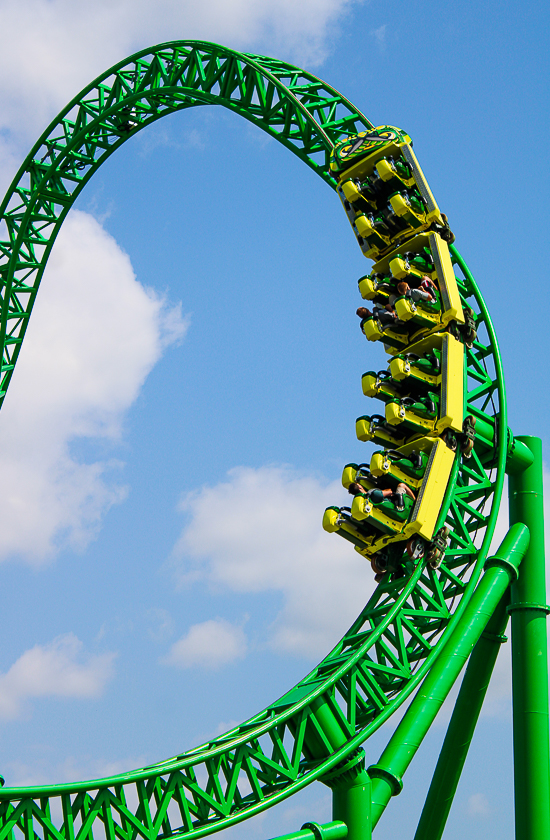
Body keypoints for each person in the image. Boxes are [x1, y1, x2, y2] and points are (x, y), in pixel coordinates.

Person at [348, 480, 416, 512]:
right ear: (360, 487)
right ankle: (415, 500)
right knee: (401, 485)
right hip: (396, 505)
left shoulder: (365, 501)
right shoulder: (373, 493)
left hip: (389, 510)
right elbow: (390, 492)